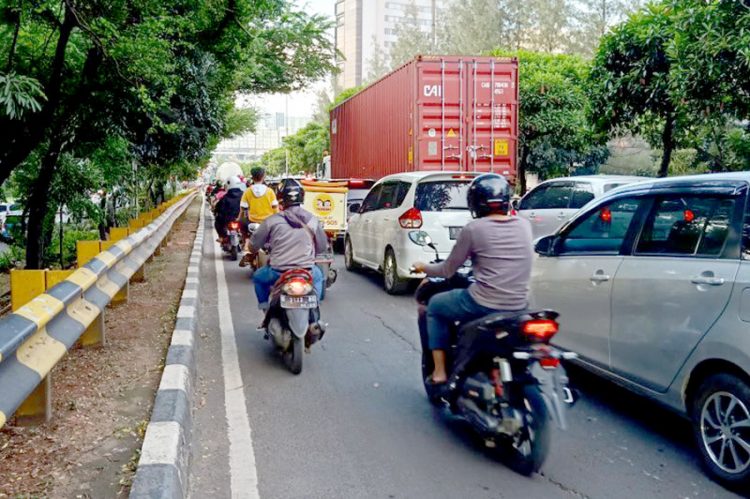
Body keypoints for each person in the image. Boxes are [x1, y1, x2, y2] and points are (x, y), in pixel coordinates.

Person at [412, 174, 533, 386]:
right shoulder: (524, 225)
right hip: (519, 304)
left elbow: (448, 270)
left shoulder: (474, 229)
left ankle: (439, 372)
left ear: (475, 203)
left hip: (484, 303)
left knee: (435, 307)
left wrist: (424, 267)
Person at [249, 180, 327, 310]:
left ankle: (265, 307)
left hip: (277, 271)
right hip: (307, 270)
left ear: (280, 199)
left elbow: (253, 245)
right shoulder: (312, 220)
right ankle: (315, 308)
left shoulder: (271, 221)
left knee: (258, 277)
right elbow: (322, 247)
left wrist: (254, 247)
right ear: (301, 197)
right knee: (318, 277)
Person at [239, 167, 279, 263]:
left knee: (242, 223)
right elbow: (275, 208)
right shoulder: (270, 191)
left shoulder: (248, 191)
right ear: (263, 176)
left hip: (252, 222)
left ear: (252, 177)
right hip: (268, 222)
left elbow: (243, 208)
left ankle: (247, 242)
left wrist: (239, 218)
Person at [214, 176, 244, 241]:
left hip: (227, 220)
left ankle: (222, 237)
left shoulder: (225, 197)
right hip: (241, 220)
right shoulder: (244, 195)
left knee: (217, 222)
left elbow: (218, 207)